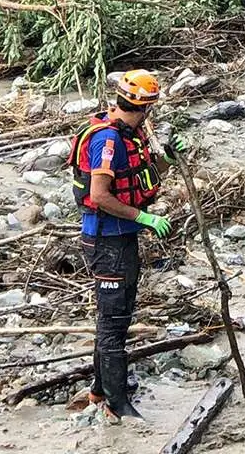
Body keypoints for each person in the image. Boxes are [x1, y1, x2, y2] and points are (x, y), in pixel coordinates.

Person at [67, 70, 181, 422]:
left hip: (122, 237)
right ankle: (118, 406)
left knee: (118, 317)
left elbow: (145, 174)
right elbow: (99, 196)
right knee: (113, 322)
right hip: (105, 239)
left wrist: (169, 159)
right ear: (146, 107)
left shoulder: (132, 133)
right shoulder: (108, 140)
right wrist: (144, 218)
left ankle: (101, 390)